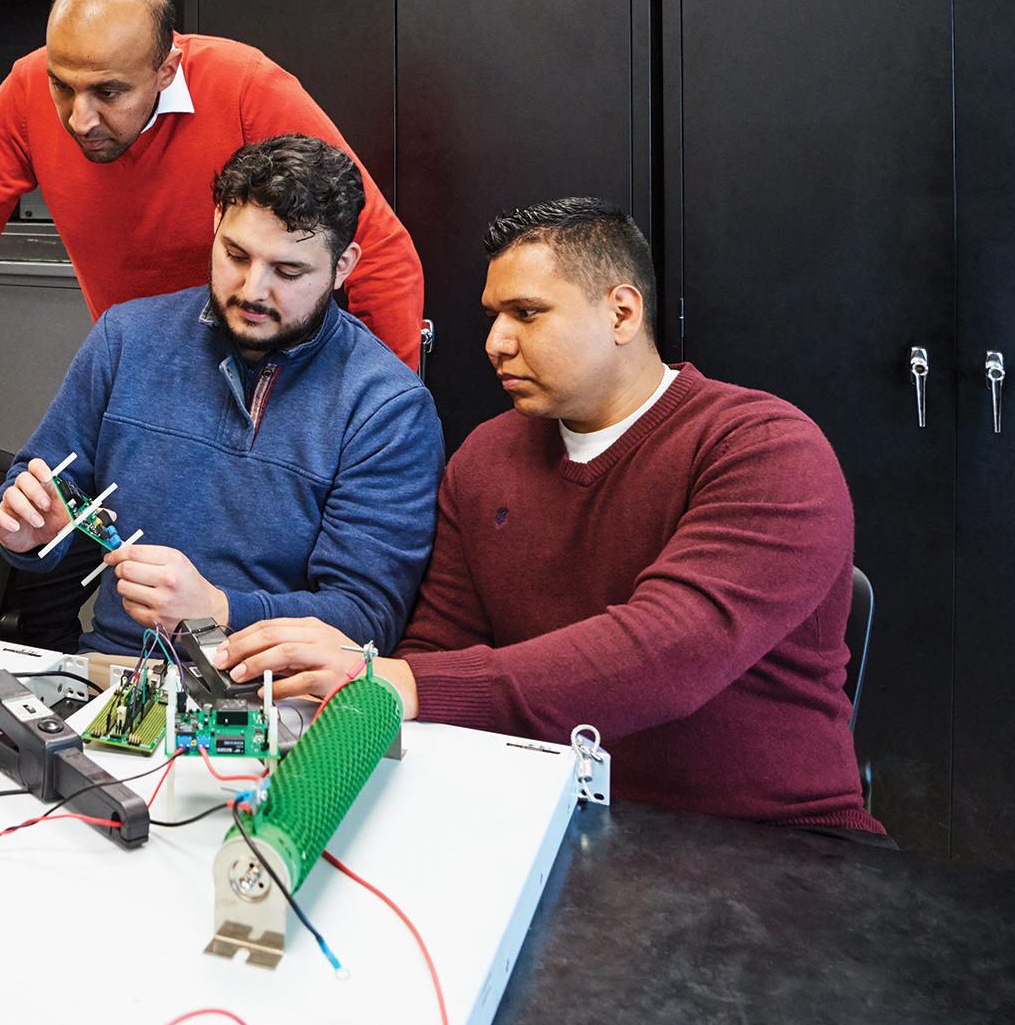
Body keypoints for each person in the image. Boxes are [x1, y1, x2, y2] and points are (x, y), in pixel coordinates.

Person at [216, 198, 885, 835]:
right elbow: (437, 650)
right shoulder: (486, 458)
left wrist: (405, 682)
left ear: (622, 312)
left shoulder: (764, 448)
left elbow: (664, 655)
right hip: (547, 816)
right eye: (492, 315)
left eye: (527, 313)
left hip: (775, 843)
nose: (495, 342)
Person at [0, 0, 427, 514]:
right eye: (63, 85)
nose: (80, 118)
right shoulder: (26, 88)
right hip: (139, 365)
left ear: (167, 68)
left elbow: (383, 253)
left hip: (279, 367)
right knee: (76, 539)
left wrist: (385, 420)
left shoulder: (246, 87)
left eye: (108, 92)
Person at [0, 135, 443, 661]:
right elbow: (34, 497)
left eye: (288, 271)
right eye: (235, 254)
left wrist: (219, 608)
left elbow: (365, 620)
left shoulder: (387, 408)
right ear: (215, 225)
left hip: (276, 692)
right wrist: (25, 533)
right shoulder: (127, 340)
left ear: (343, 267)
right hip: (118, 670)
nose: (251, 290)